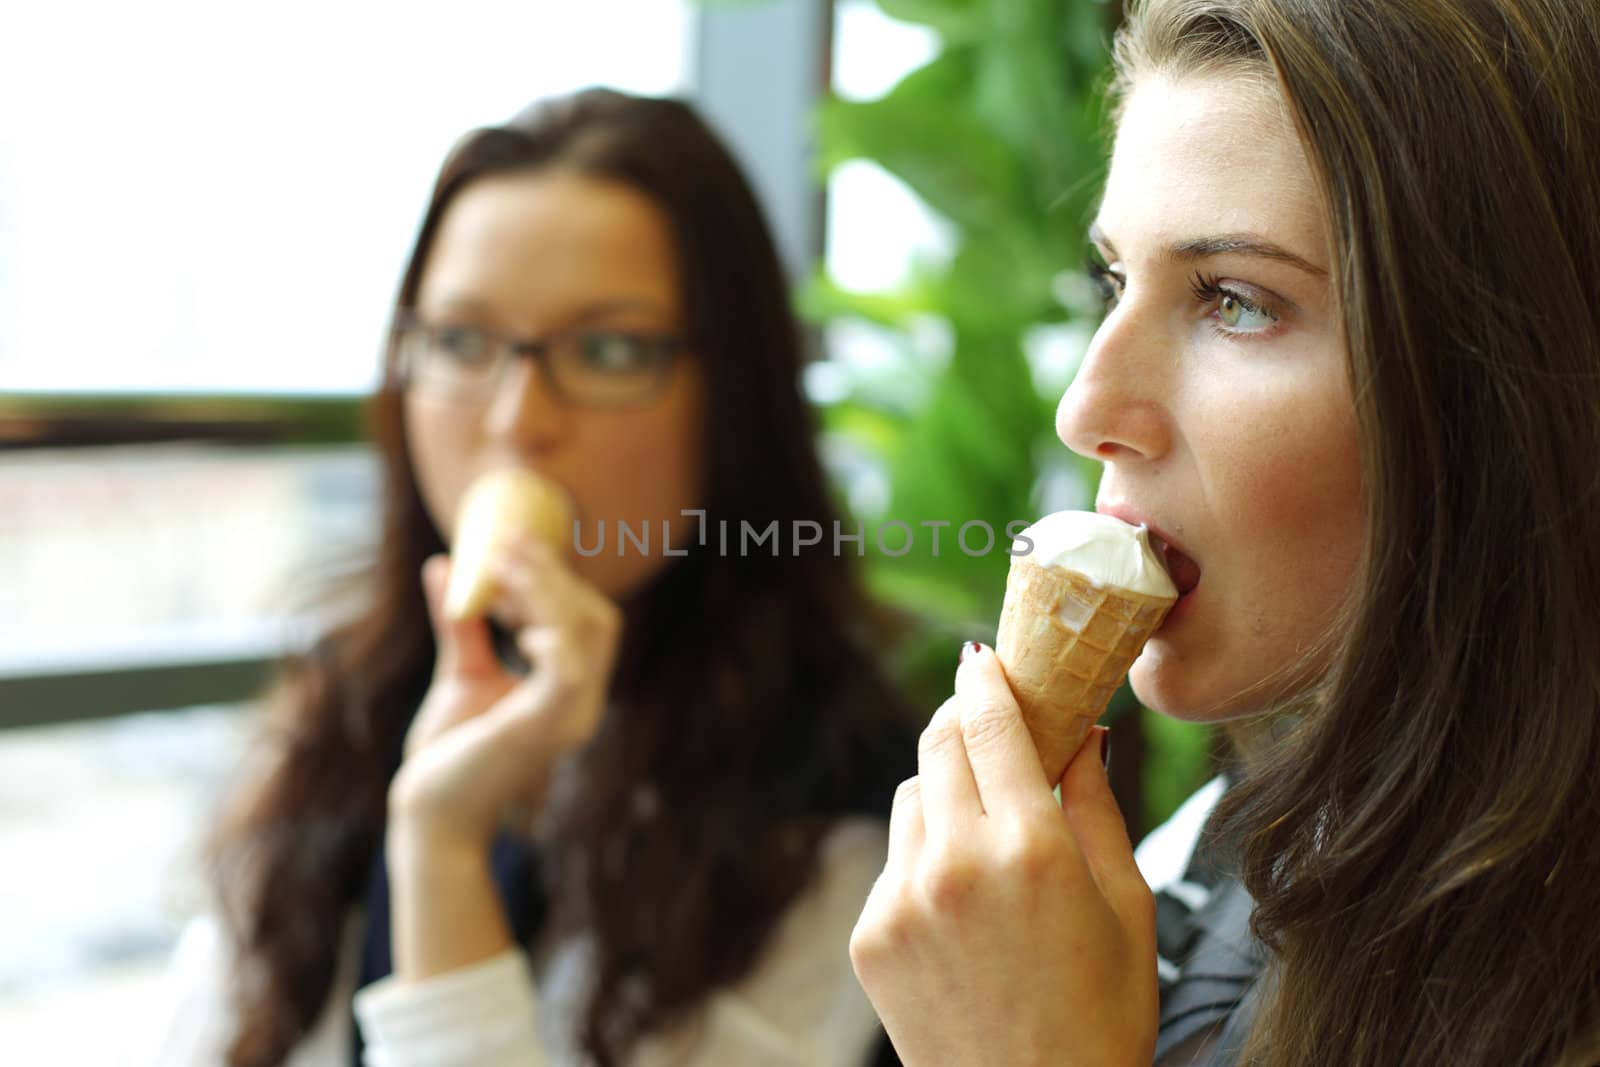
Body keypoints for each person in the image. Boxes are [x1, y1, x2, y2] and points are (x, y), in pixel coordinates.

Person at [848, 0, 1600, 1064]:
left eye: (1235, 300)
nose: (1085, 407)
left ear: (1500, 388)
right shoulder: (1215, 859)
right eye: (1115, 279)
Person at [150, 88, 917, 1067]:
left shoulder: (844, 807)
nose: (516, 418)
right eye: (463, 342)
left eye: (606, 349)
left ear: (733, 398)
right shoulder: (342, 709)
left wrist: (441, 849)